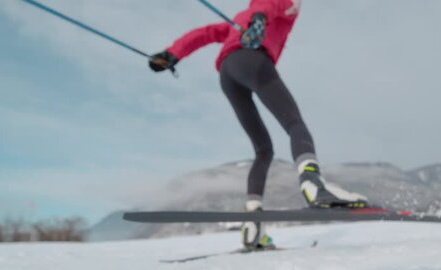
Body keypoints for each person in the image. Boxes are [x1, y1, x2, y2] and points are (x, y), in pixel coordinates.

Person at [149, 0, 368, 250]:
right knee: (295, 124)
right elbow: (271, 4)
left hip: (228, 76)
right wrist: (260, 19)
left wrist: (172, 54)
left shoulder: (241, 17)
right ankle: (313, 183)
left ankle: (253, 221)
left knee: (263, 150)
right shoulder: (284, 5)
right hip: (251, 60)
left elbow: (205, 34)